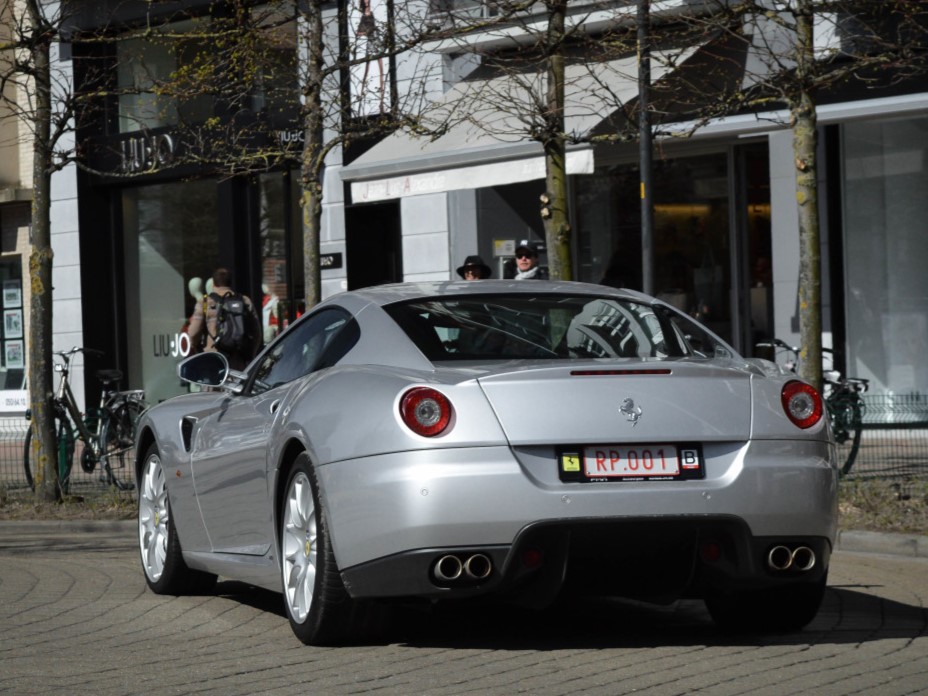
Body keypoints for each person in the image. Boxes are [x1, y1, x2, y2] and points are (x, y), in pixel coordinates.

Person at [186, 268, 261, 371]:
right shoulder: (244, 301)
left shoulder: (204, 303)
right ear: (230, 282)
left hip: (213, 361)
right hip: (238, 361)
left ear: (213, 283)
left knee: (212, 386)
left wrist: (196, 349)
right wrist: (250, 354)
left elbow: (193, 333)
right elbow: (257, 333)